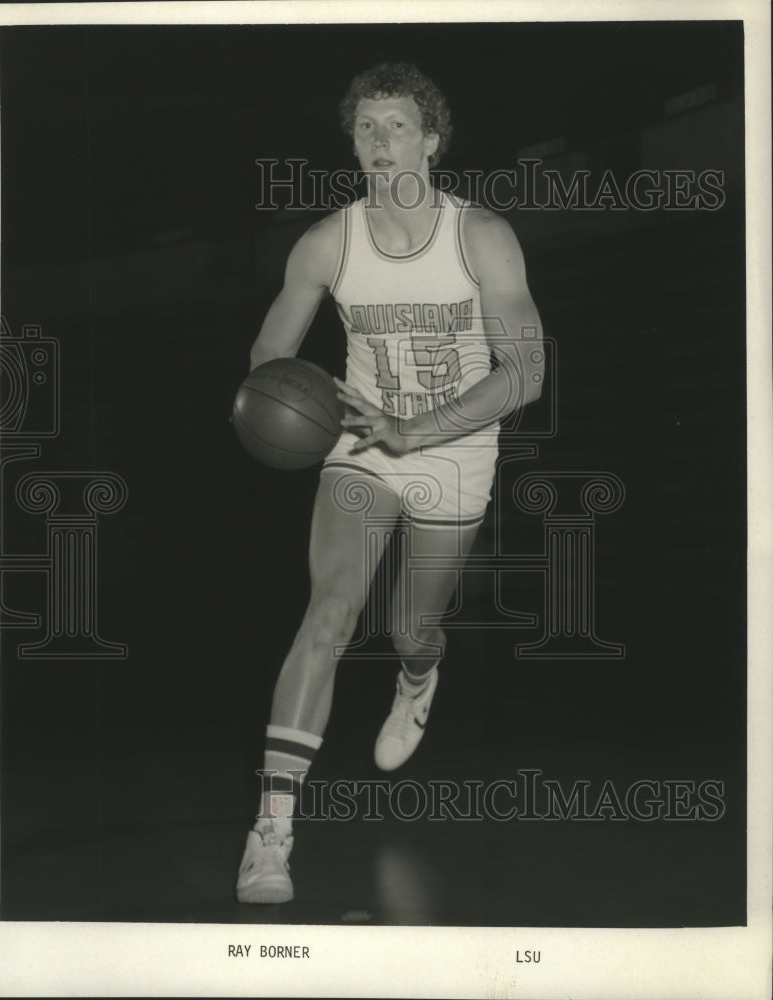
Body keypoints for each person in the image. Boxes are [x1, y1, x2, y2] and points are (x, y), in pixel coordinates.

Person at [236, 62, 544, 904]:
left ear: (431, 141)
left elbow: (524, 373)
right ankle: (271, 831)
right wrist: (297, 399)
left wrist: (418, 429)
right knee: (329, 611)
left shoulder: (479, 235)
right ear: (352, 141)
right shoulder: (326, 242)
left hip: (453, 447)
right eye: (364, 127)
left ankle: (417, 676)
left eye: (396, 125)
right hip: (362, 439)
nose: (378, 142)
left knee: (413, 626)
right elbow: (270, 354)